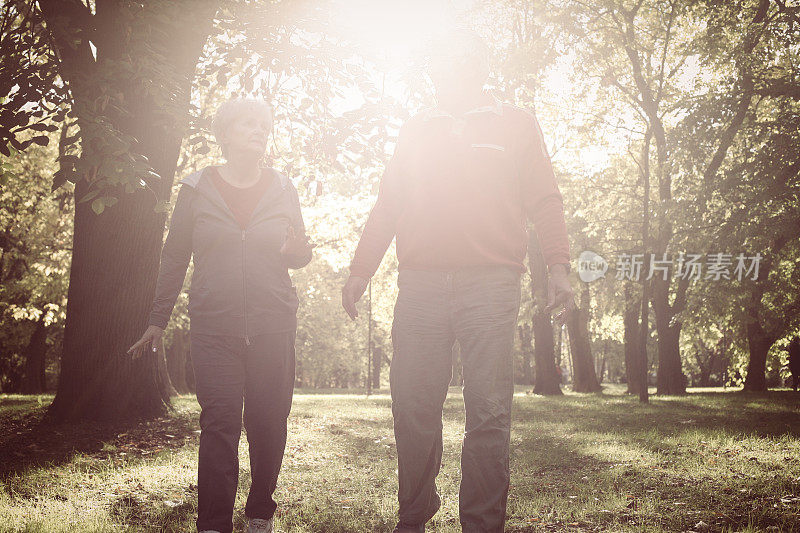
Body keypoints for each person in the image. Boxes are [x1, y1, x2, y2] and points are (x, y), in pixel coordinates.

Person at [341, 29, 574, 533]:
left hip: (491, 283)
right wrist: (361, 269)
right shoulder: (416, 129)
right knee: (411, 405)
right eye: (438, 63)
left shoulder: (515, 124)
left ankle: (483, 524)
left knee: (488, 410)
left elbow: (545, 198)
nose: (443, 73)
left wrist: (558, 265)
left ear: (479, 68)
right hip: (421, 284)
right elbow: (389, 204)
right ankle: (415, 511)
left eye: (455, 63)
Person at [128, 98, 313, 533]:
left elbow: (296, 250)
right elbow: (174, 257)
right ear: (225, 134)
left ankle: (259, 514)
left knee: (269, 424)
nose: (259, 130)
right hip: (214, 327)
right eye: (249, 124)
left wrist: (299, 254)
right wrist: (157, 319)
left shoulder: (284, 187)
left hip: (273, 324)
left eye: (264, 124)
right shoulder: (196, 189)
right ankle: (212, 524)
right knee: (219, 426)